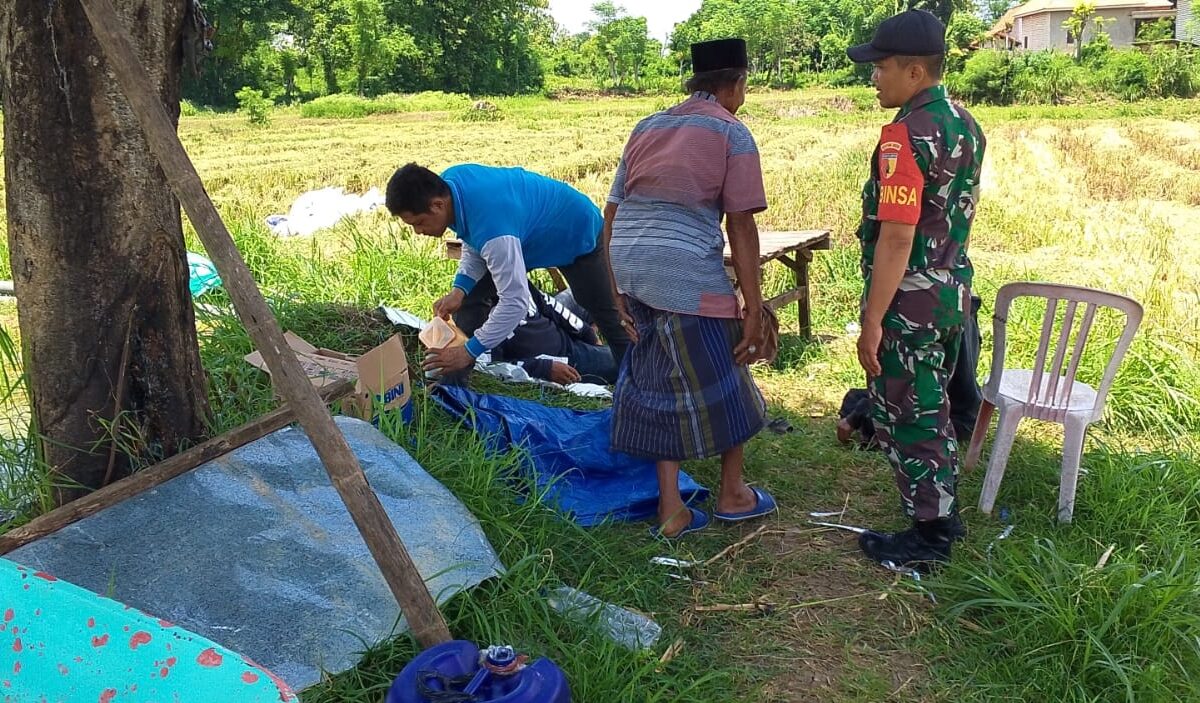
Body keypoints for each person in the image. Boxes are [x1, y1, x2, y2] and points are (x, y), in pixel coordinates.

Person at [605, 38, 777, 539]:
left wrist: (615, 288)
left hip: (631, 266)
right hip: (684, 275)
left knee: (656, 381)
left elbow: (611, 213)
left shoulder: (646, 126)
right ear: (736, 83)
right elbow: (741, 225)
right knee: (729, 377)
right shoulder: (732, 132)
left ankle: (671, 509)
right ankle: (733, 494)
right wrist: (752, 307)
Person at [847, 9, 986, 571]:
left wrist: (872, 320)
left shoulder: (902, 137)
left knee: (910, 415)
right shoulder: (965, 124)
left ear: (913, 71)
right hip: (951, 295)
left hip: (909, 304)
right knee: (934, 405)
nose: (874, 78)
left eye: (880, 67)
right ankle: (942, 515)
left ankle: (931, 538)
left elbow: (898, 236)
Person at [384, 163, 631, 382]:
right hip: (529, 235)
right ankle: (459, 377)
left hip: (579, 236)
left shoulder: (495, 231)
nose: (418, 232)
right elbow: (474, 238)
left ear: (437, 205)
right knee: (471, 295)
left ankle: (636, 382)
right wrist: (459, 291)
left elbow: (515, 302)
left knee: (608, 315)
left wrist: (470, 350)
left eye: (419, 223)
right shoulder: (452, 184)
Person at [488, 282, 619, 385]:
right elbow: (490, 366)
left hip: (553, 327)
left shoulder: (507, 273)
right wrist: (543, 368)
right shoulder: (481, 320)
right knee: (623, 359)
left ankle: (593, 333)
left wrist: (587, 332)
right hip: (561, 358)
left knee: (592, 288)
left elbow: (546, 303)